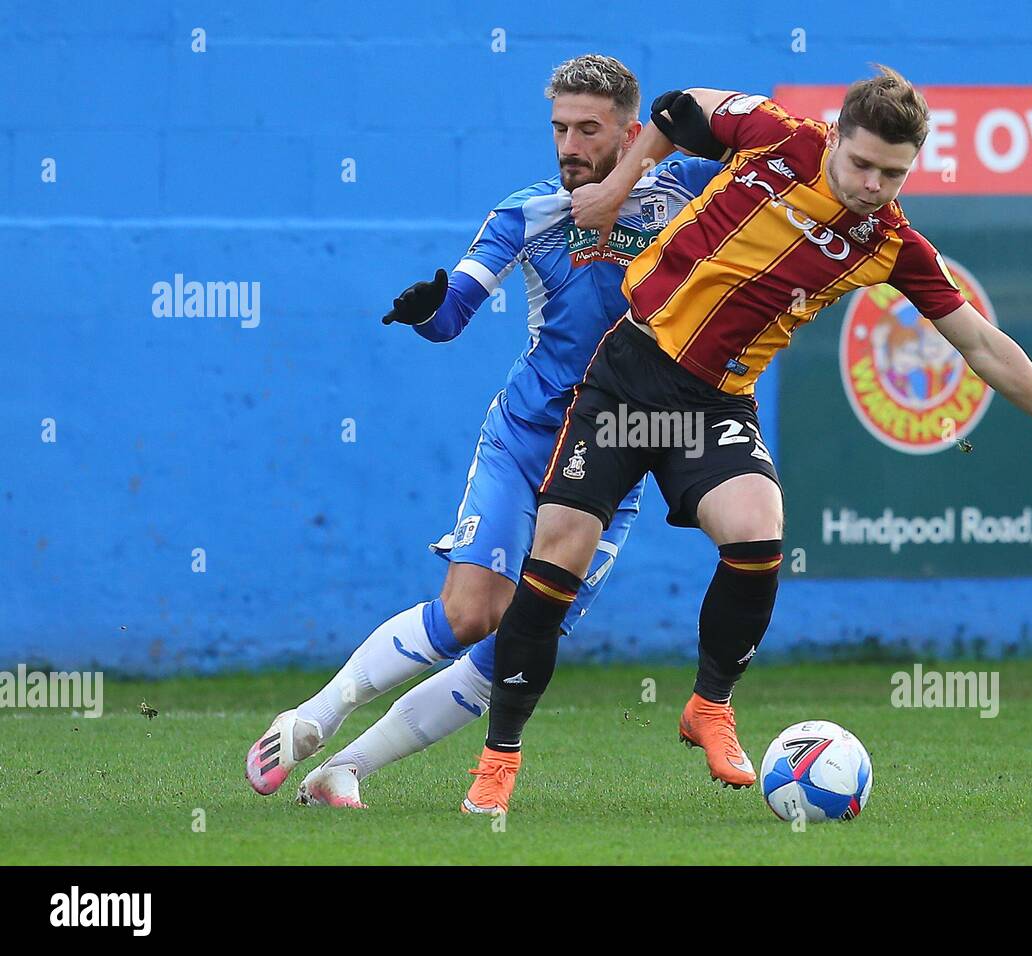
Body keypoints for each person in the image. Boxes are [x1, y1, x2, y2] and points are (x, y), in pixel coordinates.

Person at [460, 65, 1032, 815]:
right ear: (837, 138)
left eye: (893, 174)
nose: (872, 185)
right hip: (629, 374)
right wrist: (624, 179)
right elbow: (673, 107)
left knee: (758, 531)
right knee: (558, 552)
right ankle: (499, 760)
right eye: (861, 164)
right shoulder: (777, 135)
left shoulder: (891, 242)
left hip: (717, 401)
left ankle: (710, 706)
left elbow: (983, 346)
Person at [244, 54, 720, 808]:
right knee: (471, 611)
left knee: (511, 647)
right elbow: (456, 310)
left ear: (632, 133)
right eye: (559, 127)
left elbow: (756, 160)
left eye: (588, 130)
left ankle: (348, 771)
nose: (569, 144)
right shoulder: (526, 211)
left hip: (615, 454)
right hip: (527, 439)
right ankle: (313, 718)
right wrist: (428, 308)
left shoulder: (685, 192)